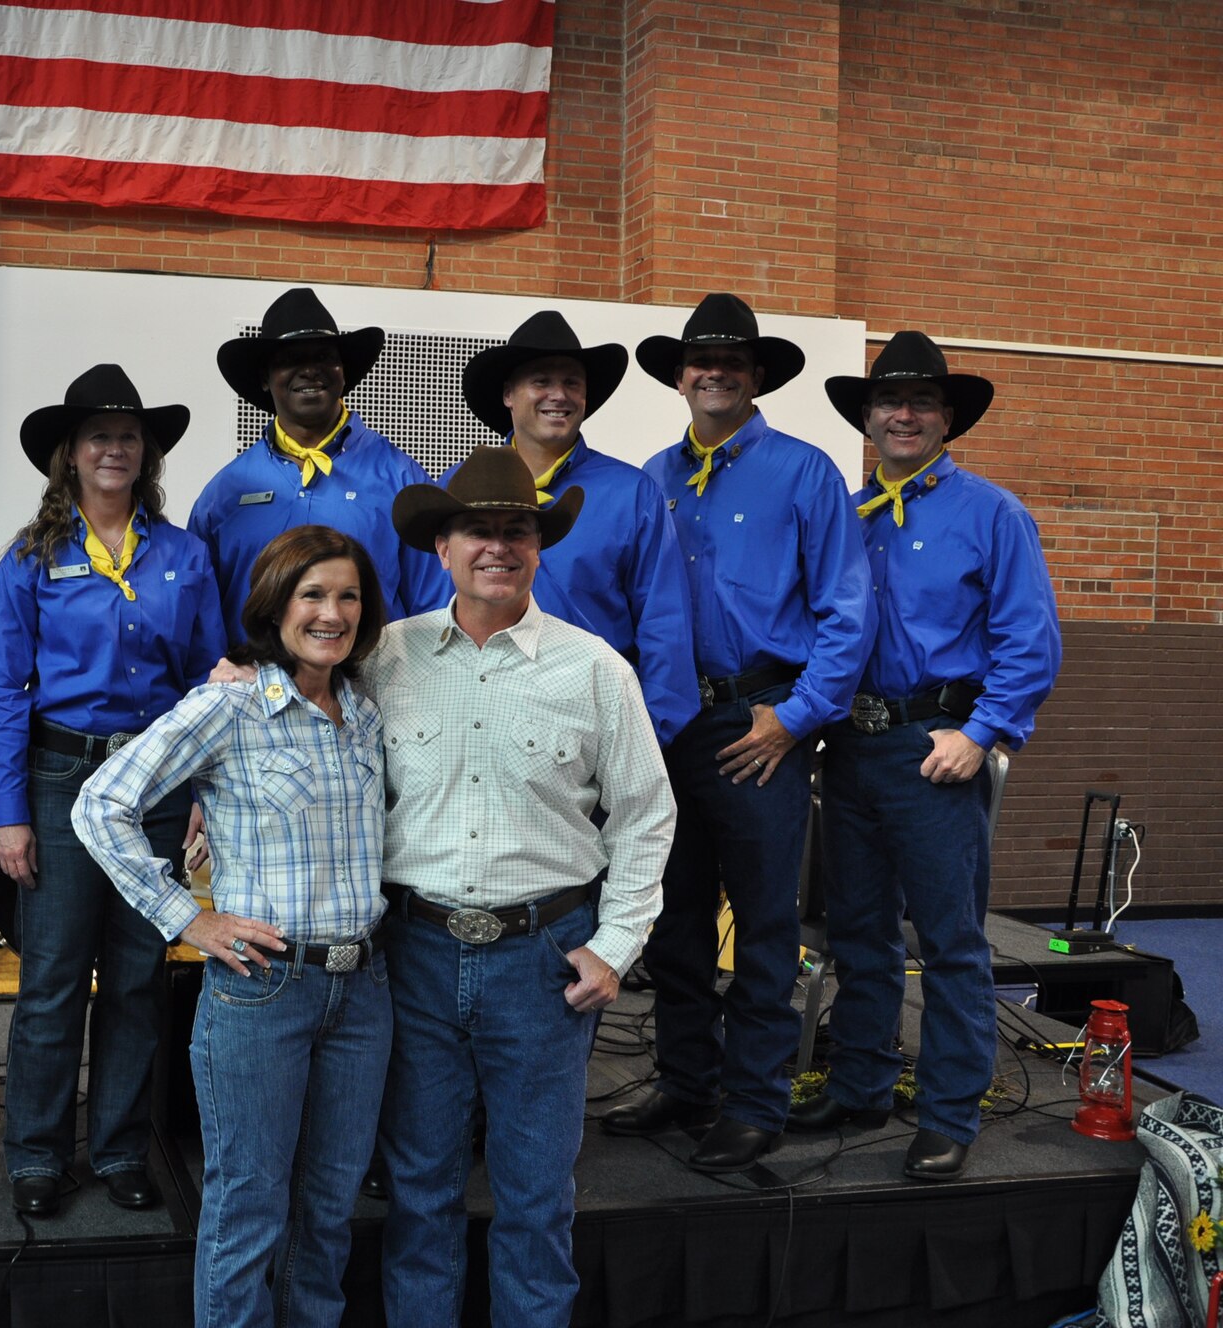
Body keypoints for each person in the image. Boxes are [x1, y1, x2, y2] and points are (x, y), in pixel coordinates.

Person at [373, 448, 676, 1327]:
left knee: (536, 1200)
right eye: (479, 530)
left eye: (518, 531)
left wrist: (616, 946)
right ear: (442, 546)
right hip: (415, 955)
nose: (498, 547)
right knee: (419, 1193)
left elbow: (646, 819)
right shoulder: (385, 659)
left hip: (545, 966)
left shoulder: (595, 671)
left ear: (540, 547)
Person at [74, 525, 390, 1328]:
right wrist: (188, 918)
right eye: (311, 594)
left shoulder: (365, 711)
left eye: (347, 595)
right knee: (249, 1211)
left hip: (363, 992)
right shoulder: (230, 704)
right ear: (275, 607)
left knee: (327, 1211)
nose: (331, 612)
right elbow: (99, 804)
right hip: (262, 991)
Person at [608, 293, 870, 1173]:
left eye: (732, 359)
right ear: (679, 376)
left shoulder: (806, 473)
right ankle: (686, 1079)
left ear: (756, 377)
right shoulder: (650, 480)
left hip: (761, 727)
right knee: (672, 918)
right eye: (699, 359)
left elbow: (846, 610)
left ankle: (755, 1100)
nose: (713, 370)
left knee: (761, 926)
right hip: (667, 725)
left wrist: (795, 717)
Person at [790, 331, 1060, 1180]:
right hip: (851, 748)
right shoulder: (843, 515)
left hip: (936, 746)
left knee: (948, 942)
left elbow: (1031, 642)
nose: (903, 415)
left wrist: (980, 734)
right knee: (859, 932)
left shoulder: (993, 514)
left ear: (948, 419)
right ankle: (863, 1083)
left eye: (922, 403)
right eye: (888, 403)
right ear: (867, 419)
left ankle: (948, 1112)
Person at [0, 364, 226, 1218]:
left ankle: (121, 1146)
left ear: (146, 454)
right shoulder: (29, 559)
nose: (114, 449)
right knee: (52, 976)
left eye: (129, 437)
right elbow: (3, 695)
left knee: (134, 974)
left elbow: (207, 683)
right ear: (70, 456)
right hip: (58, 778)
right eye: (98, 437)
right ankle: (37, 1156)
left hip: (155, 783)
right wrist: (10, 816)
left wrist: (203, 789)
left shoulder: (185, 556)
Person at [450, 310, 701, 744]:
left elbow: (664, 625)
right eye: (541, 381)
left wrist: (649, 737)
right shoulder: (457, 493)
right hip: (473, 717)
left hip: (593, 726)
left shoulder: (632, 494)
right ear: (509, 393)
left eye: (572, 383)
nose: (558, 395)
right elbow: (426, 611)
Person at [189, 287, 449, 637]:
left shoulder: (402, 479)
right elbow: (201, 617)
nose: (310, 370)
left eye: (324, 357)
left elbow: (434, 609)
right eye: (291, 359)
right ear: (265, 379)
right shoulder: (225, 492)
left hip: (370, 686)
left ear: (343, 373)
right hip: (254, 685)